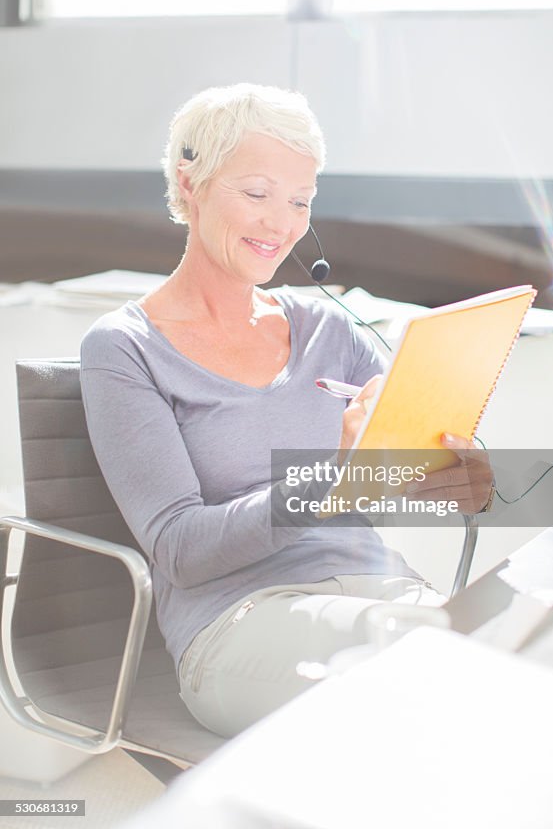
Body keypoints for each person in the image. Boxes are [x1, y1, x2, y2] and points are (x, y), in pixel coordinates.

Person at [80, 83, 493, 738]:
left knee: (514, 654)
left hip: (381, 591)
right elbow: (179, 551)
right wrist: (329, 478)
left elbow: (402, 472)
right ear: (190, 182)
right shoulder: (123, 348)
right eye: (256, 193)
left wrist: (457, 478)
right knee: (425, 675)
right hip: (238, 622)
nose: (281, 223)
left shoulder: (331, 329)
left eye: (299, 201)